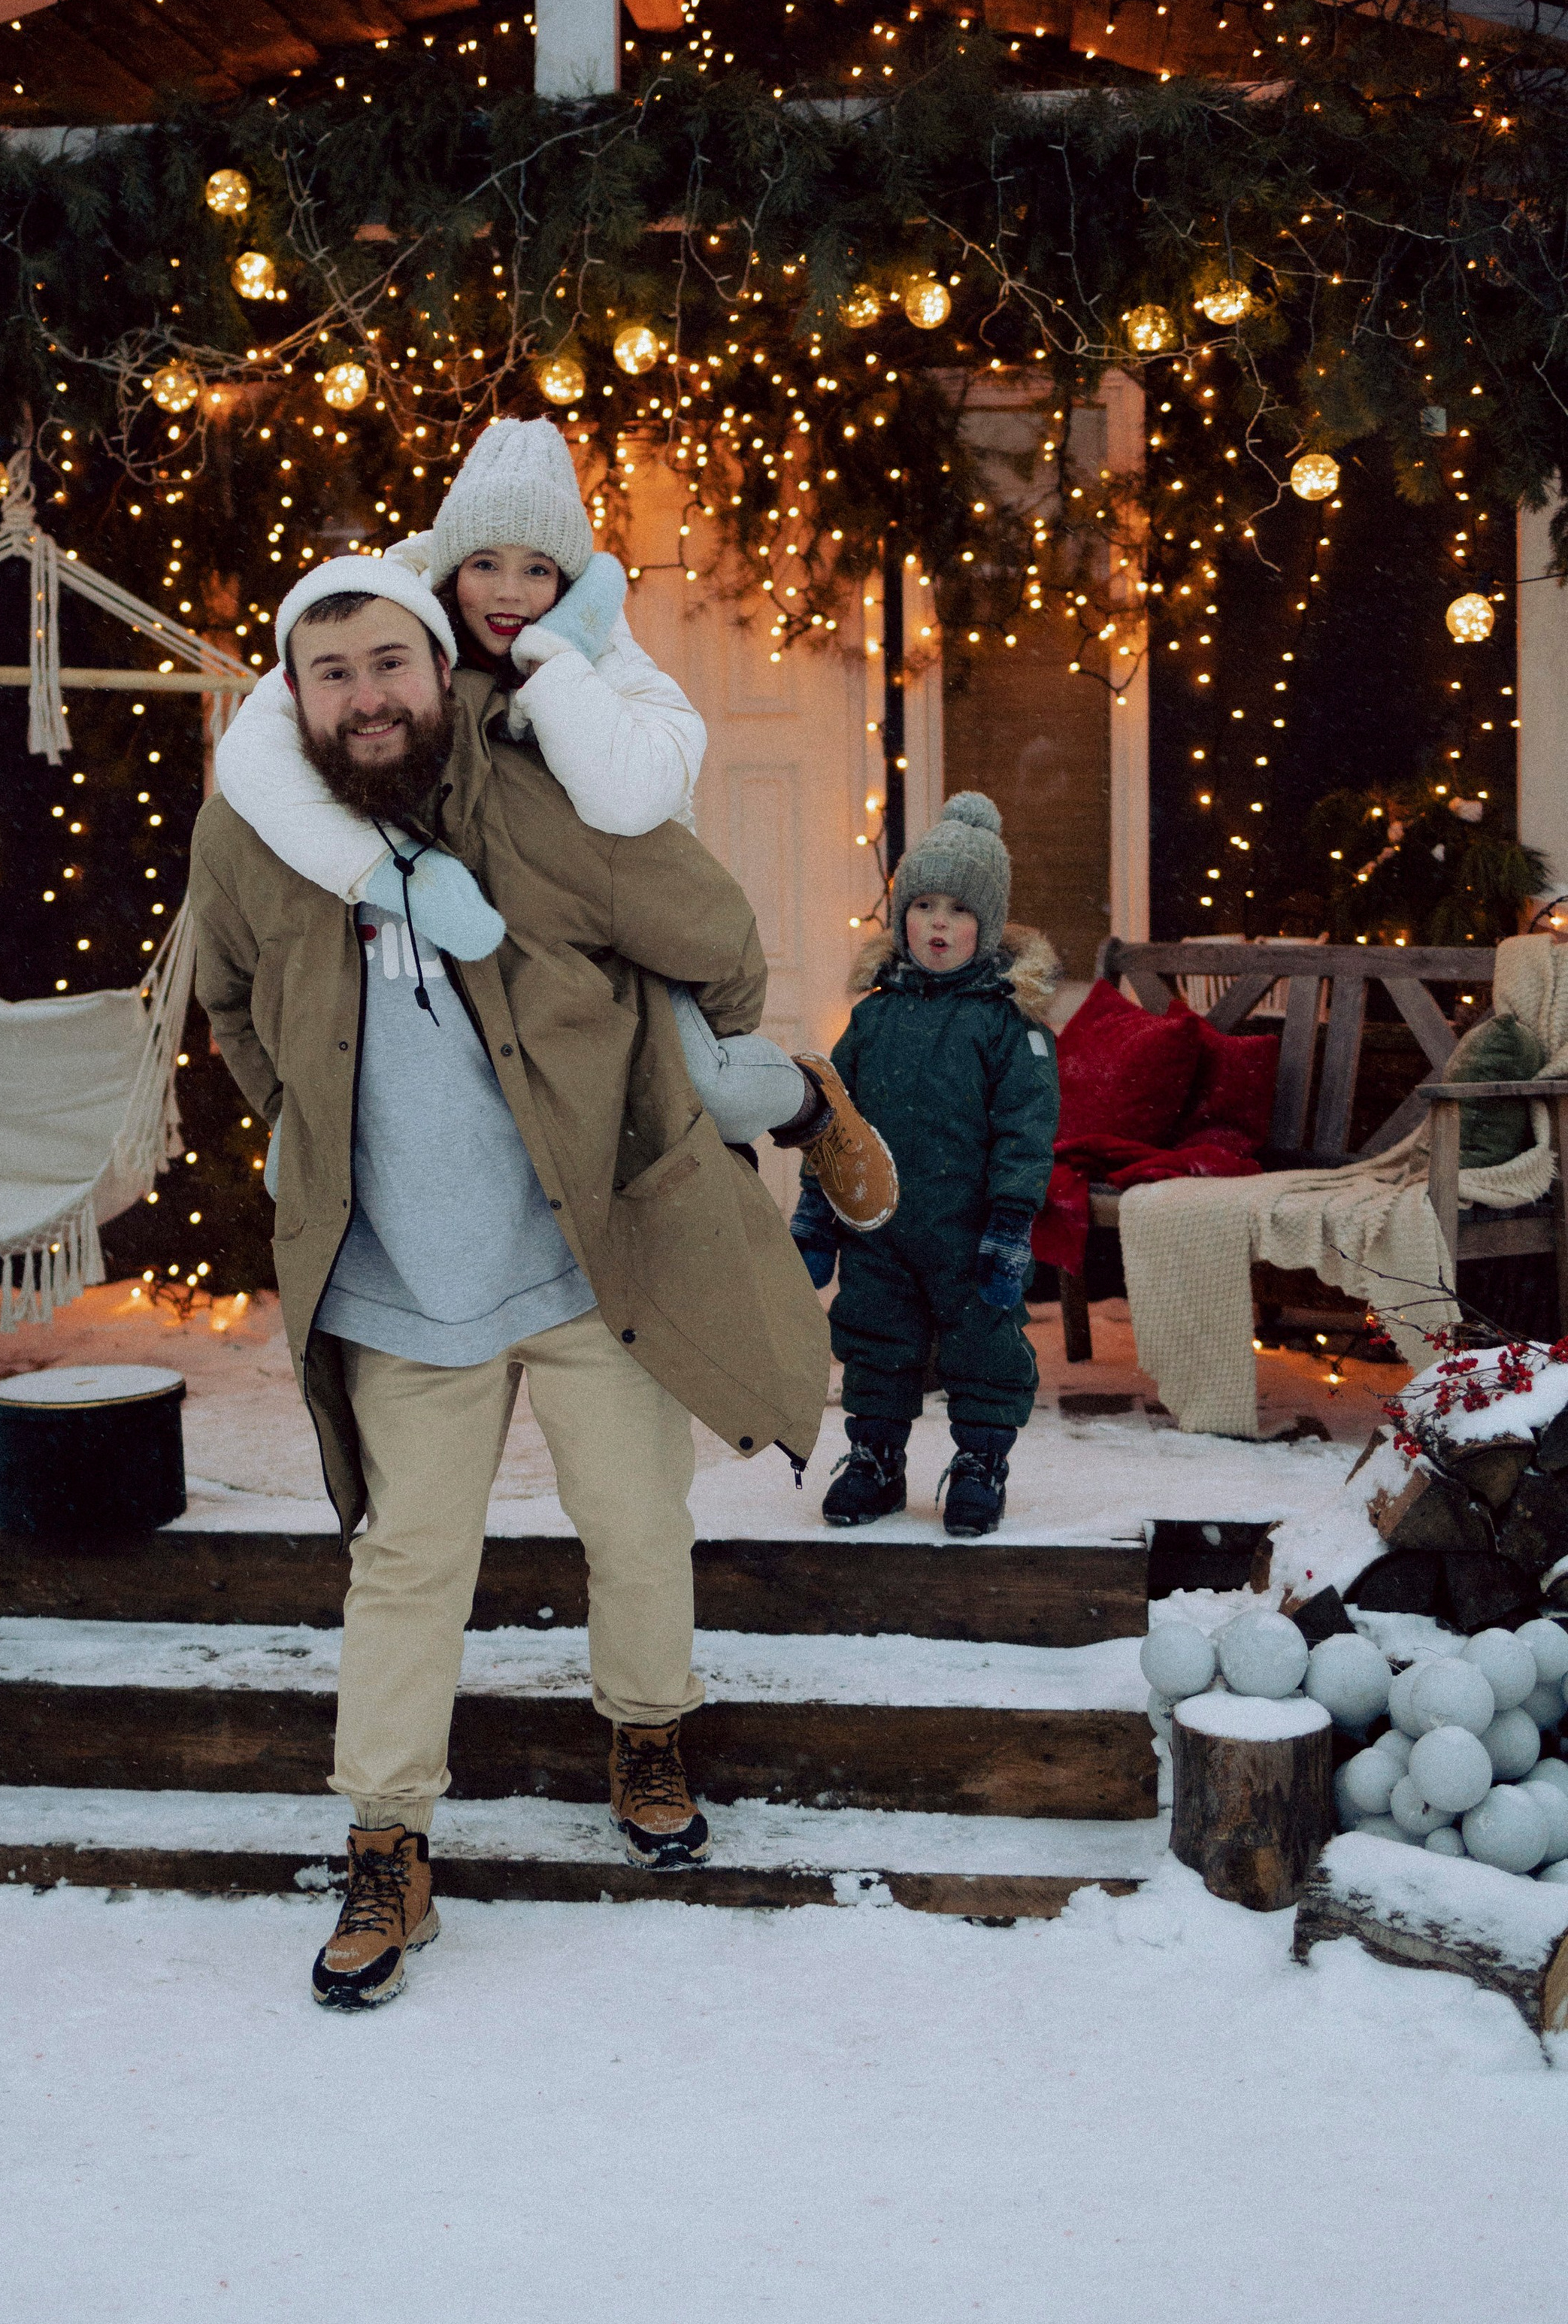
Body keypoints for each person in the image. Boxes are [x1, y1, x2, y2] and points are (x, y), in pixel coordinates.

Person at [189, 553, 863, 2010]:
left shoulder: (537, 789)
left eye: (391, 663)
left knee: (637, 1522)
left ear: (441, 668)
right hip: (395, 1280)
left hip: (583, 1256)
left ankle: (646, 1736)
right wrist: (306, 1122)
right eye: (333, 673)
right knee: (406, 1564)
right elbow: (230, 1001)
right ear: (294, 694)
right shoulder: (249, 830)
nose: (367, 697)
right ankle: (387, 1846)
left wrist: (668, 1075)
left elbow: (712, 935)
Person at [214, 414, 899, 1195]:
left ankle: (810, 1103)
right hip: (487, 922)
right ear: (450, 567)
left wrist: (554, 660)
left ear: (568, 584)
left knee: (711, 1092)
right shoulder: (386, 626)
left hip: (619, 921)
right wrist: (393, 874)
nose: (509, 592)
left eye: (537, 569)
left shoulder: (607, 658)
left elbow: (627, 799)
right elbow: (253, 754)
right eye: (485, 564)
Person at [794, 794, 1061, 1538]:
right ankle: (876, 1461)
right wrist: (816, 1212)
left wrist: (1010, 1222)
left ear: (988, 924)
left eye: (959, 909)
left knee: (985, 1344)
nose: (938, 924)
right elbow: (832, 1118)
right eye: (923, 906)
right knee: (875, 1336)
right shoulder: (873, 1017)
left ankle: (980, 1464)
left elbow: (1026, 1129)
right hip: (877, 1225)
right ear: (901, 915)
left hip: (968, 1229)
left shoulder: (1007, 1025)